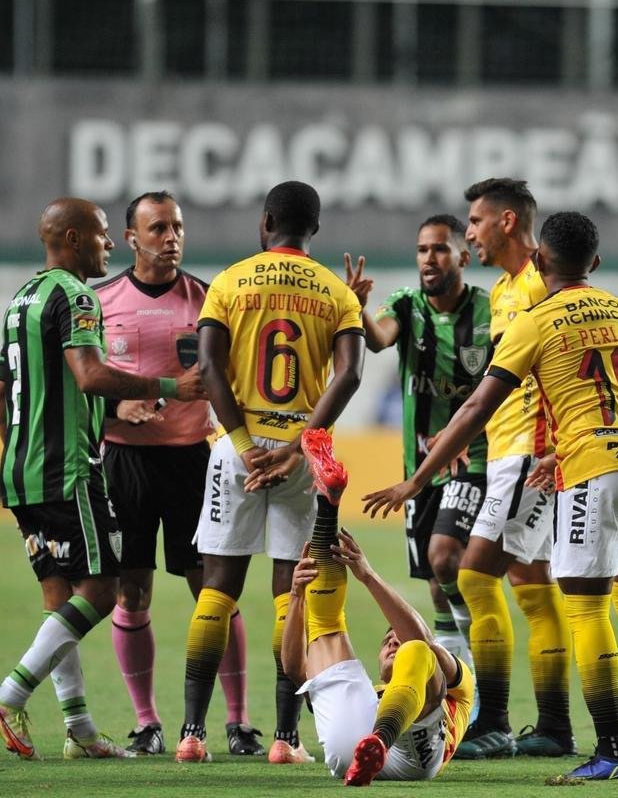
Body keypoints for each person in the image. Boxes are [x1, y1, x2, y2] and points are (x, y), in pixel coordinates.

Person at [365, 211, 618, 780]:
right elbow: (617, 392)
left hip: (591, 467)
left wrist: (416, 478)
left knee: (582, 603)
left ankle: (609, 749)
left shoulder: (535, 319)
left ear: (542, 261)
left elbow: (478, 404)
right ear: (596, 263)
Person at [0, 197, 206, 760]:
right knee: (103, 590)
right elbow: (91, 374)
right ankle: (8, 696)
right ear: (75, 239)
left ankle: (79, 730)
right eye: (103, 235)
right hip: (67, 471)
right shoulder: (76, 295)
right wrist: (173, 388)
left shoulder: (21, 298)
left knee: (60, 601)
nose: (109, 245)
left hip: (21, 471)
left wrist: (22, 457)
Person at [175, 181, 365, 765]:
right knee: (294, 589)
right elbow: (350, 375)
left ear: (267, 222)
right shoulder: (337, 293)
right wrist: (300, 442)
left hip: (237, 448)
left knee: (216, 588)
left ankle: (191, 735)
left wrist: (239, 443)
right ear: (313, 230)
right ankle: (285, 740)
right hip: (301, 451)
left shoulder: (230, 281)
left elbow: (207, 366)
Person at [95, 190, 263, 757]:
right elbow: (84, 382)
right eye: (159, 228)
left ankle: (238, 722)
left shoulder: (210, 298)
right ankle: (147, 723)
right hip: (124, 460)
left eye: (178, 228)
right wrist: (118, 408)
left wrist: (228, 431)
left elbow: (233, 375)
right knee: (132, 591)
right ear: (131, 239)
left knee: (214, 591)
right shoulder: (101, 301)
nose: (172, 238)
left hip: (194, 459)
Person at [452, 179, 573, 759]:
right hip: (508, 450)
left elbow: (563, 363)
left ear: (506, 222)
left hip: (531, 450)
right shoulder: (502, 291)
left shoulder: (539, 283)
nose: (467, 232)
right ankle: (553, 727)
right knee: (531, 586)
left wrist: (557, 446)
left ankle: (494, 720)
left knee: (475, 577)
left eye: (474, 221)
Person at [344, 214, 490, 691]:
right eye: (423, 250)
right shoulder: (407, 305)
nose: (430, 258)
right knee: (433, 578)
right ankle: (460, 681)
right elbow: (379, 338)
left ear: (463, 257)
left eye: (441, 249)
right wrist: (359, 308)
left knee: (445, 556)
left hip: (474, 459)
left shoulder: (488, 314)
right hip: (418, 465)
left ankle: (479, 675)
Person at [282, 429, 474, 785]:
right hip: (352, 746)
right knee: (325, 626)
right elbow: (296, 669)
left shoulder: (458, 685)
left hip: (416, 756)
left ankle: (379, 742)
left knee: (419, 651)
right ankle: (329, 502)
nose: (392, 644)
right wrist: (296, 597)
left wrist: (367, 576)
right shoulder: (371, 693)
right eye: (388, 642)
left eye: (394, 640)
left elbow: (422, 644)